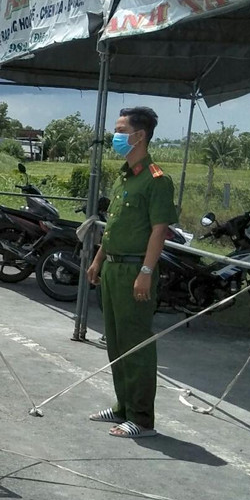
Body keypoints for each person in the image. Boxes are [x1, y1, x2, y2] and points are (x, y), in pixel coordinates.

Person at [85, 105, 178, 439]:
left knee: (135, 342)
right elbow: (114, 227)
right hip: (112, 267)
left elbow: (158, 231)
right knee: (115, 340)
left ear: (139, 136)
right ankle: (123, 405)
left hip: (135, 269)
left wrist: (146, 271)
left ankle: (141, 417)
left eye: (121, 130)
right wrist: (97, 260)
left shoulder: (157, 180)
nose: (116, 136)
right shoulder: (126, 176)